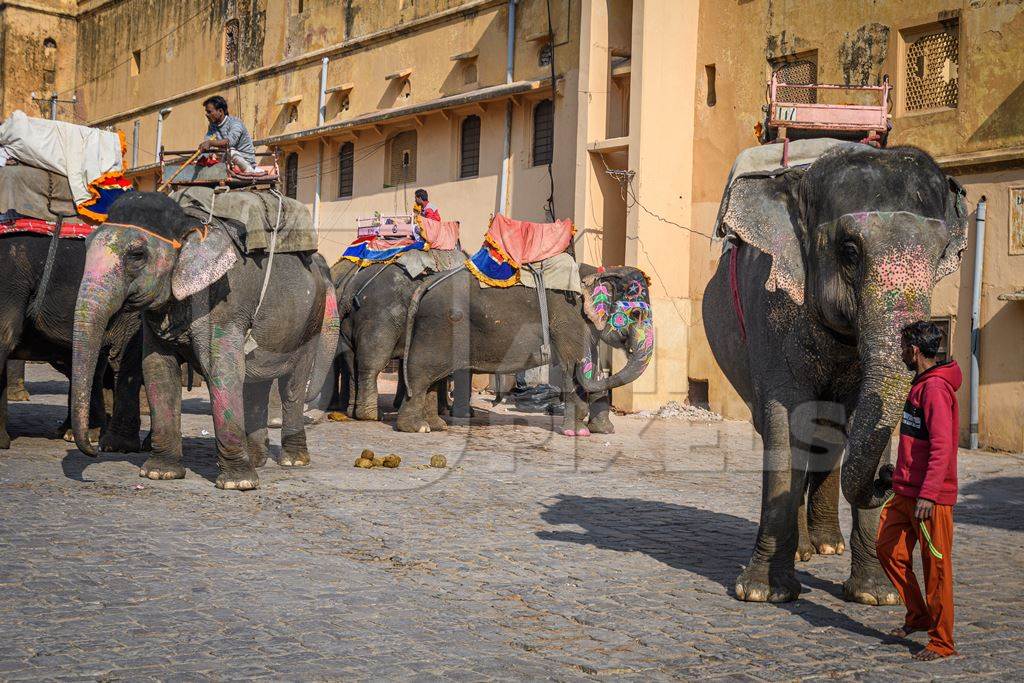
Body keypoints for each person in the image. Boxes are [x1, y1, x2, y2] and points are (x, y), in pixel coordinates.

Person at [876, 320, 961, 661]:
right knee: (887, 549)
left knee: (936, 570)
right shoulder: (921, 385)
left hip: (931, 499)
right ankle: (919, 615)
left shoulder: (936, 391)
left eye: (902, 348)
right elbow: (920, 444)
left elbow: (942, 447)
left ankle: (942, 642)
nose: (900, 354)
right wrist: (899, 476)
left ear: (914, 350)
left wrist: (928, 493)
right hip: (906, 492)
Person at [198, 95, 259, 173]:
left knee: (230, 151)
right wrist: (203, 151)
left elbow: (229, 142)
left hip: (245, 162)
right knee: (209, 155)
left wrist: (210, 143)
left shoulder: (235, 123)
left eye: (209, 112)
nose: (206, 115)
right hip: (228, 161)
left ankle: (249, 171)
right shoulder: (212, 126)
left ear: (220, 111)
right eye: (206, 112)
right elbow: (207, 141)